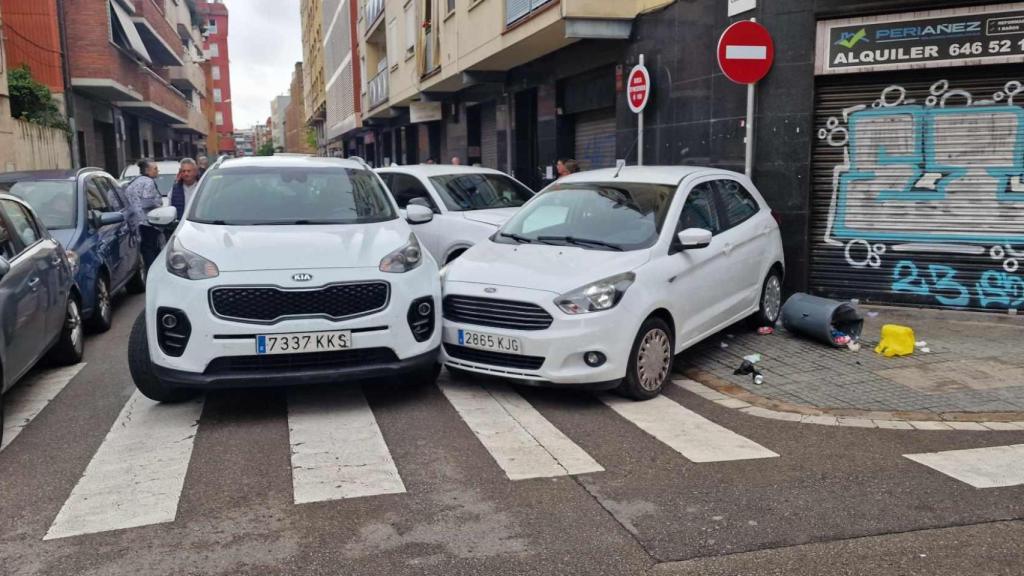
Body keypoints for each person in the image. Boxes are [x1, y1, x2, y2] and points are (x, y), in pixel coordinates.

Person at [123, 159, 164, 270]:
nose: (157, 171)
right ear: (147, 170)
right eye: (155, 169)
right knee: (151, 250)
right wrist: (158, 204)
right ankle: (153, 272)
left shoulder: (134, 181)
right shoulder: (148, 182)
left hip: (135, 222)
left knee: (144, 250)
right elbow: (147, 202)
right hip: (148, 222)